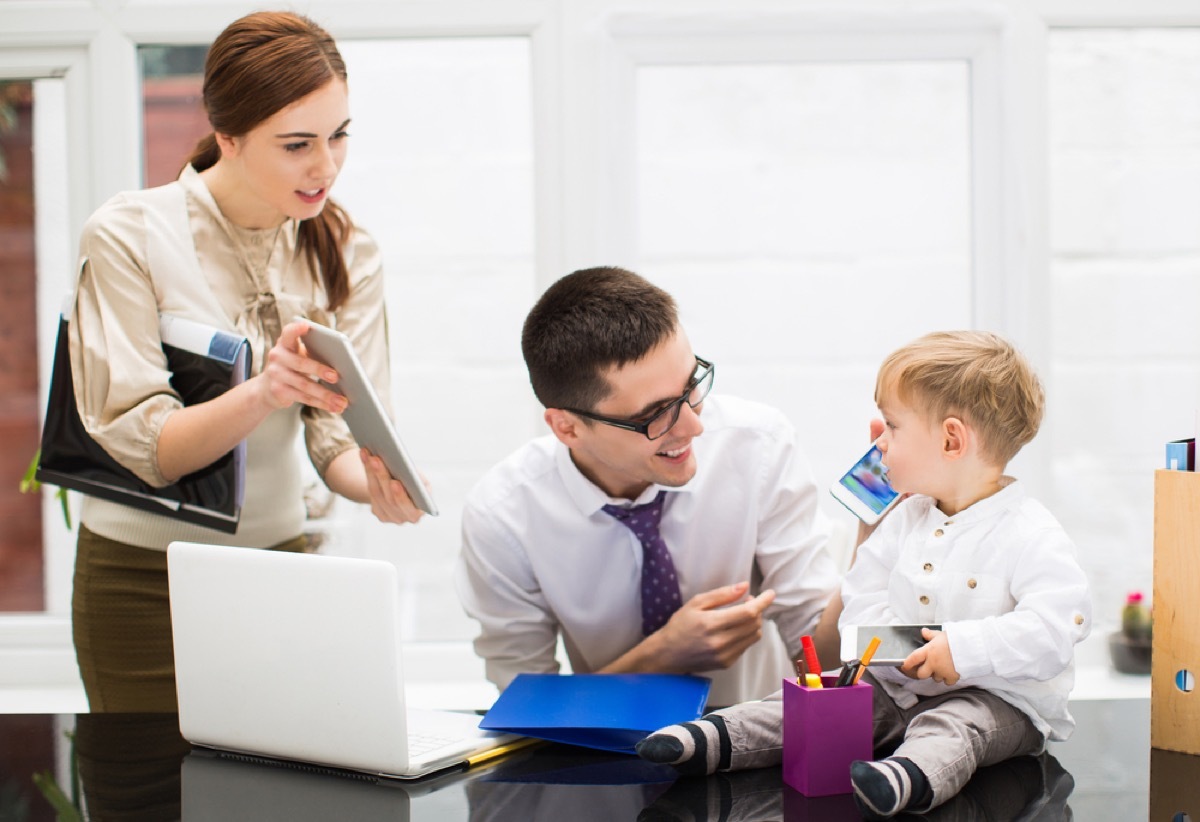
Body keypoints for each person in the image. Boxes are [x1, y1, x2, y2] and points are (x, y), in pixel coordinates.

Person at [69, 10, 423, 712]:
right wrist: (265, 391)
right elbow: (151, 451)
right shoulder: (129, 234)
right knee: (144, 802)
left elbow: (337, 442)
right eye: (297, 144)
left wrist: (378, 480)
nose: (326, 166)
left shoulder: (349, 251)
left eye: (339, 135)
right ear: (226, 136)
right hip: (141, 582)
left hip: (276, 565)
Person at [636, 330, 1092, 820]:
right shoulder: (904, 517)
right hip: (898, 685)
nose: (878, 443)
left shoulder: (1030, 532)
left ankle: (905, 777)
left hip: (999, 701)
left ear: (952, 439)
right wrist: (890, 647)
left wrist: (961, 650)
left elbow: (1057, 627)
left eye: (892, 428)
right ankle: (716, 737)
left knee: (955, 727)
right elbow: (863, 593)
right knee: (820, 696)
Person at [454, 266, 840, 707]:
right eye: (655, 414)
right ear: (567, 427)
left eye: (692, 385)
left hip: (758, 741)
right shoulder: (504, 515)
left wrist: (874, 538)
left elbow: (824, 659)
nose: (694, 425)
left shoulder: (759, 446)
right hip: (601, 757)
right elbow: (527, 703)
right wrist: (663, 656)